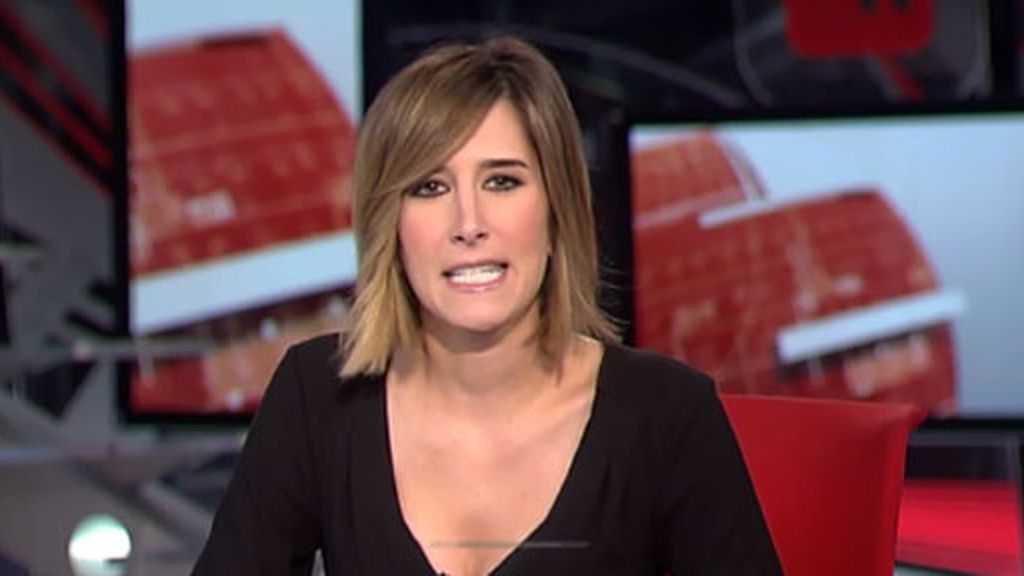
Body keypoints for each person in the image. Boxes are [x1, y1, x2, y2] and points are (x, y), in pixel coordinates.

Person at [192, 36, 781, 576]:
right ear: (389, 224)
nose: (468, 224)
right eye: (430, 188)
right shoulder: (316, 396)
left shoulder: (667, 412)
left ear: (557, 210)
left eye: (501, 182)